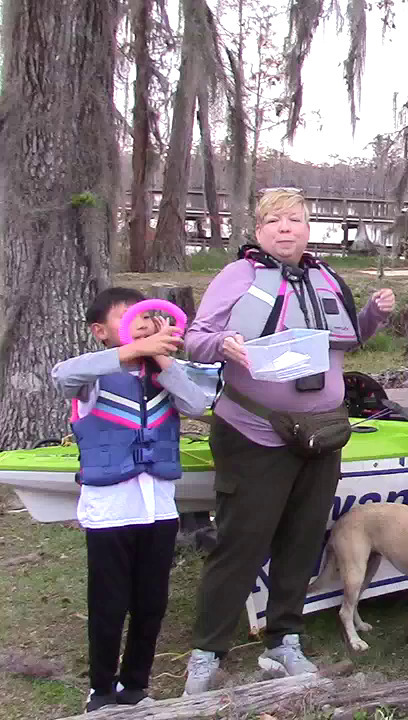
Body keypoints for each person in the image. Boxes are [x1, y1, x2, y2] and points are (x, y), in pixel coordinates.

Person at [181, 188, 396, 695]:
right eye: (274, 220)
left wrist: (375, 314)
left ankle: (285, 639)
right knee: (241, 543)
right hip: (254, 432)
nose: (286, 228)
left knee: (301, 540)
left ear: (307, 228)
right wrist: (222, 345)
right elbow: (196, 337)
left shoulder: (325, 277)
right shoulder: (239, 276)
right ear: (259, 231)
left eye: (295, 220)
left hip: (321, 435)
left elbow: (350, 339)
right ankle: (207, 653)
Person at [52, 287, 211, 711]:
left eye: (146, 318)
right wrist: (131, 351)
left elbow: (198, 403)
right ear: (101, 332)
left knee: (151, 601)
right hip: (110, 512)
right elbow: (62, 374)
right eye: (129, 319)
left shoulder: (167, 375)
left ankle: (136, 684)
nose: (141, 325)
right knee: (109, 603)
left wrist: (162, 357)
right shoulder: (91, 379)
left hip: (157, 509)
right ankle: (101, 689)